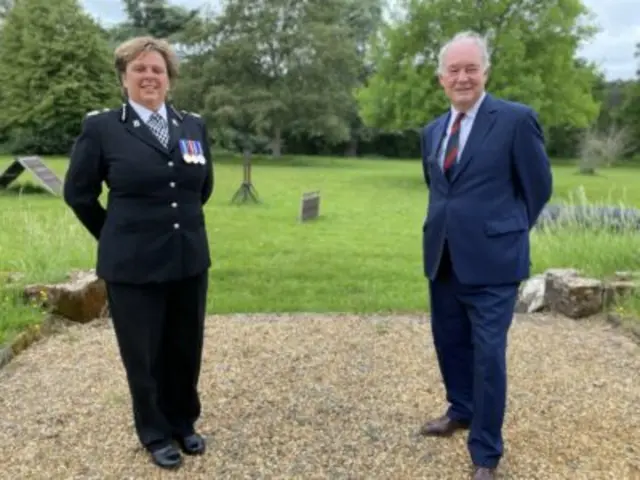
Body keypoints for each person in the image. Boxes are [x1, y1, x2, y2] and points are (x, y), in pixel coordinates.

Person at [63, 36, 214, 470]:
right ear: (124, 78)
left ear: (169, 79)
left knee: (185, 346)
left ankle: (183, 422)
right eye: (140, 69)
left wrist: (174, 228)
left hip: (187, 258)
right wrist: (113, 234)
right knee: (143, 353)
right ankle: (153, 432)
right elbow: (79, 194)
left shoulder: (192, 126)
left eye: (158, 70)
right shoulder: (103, 128)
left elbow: (202, 188)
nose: (150, 76)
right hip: (132, 264)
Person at [417, 31, 552, 480]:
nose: (462, 78)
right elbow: (440, 191)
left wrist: (505, 233)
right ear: (441, 79)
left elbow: (538, 188)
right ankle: (460, 409)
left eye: (471, 68)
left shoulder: (515, 121)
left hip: (494, 265)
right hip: (444, 259)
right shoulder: (433, 131)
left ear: (486, 72)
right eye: (453, 70)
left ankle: (486, 453)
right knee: (449, 344)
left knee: (488, 356)